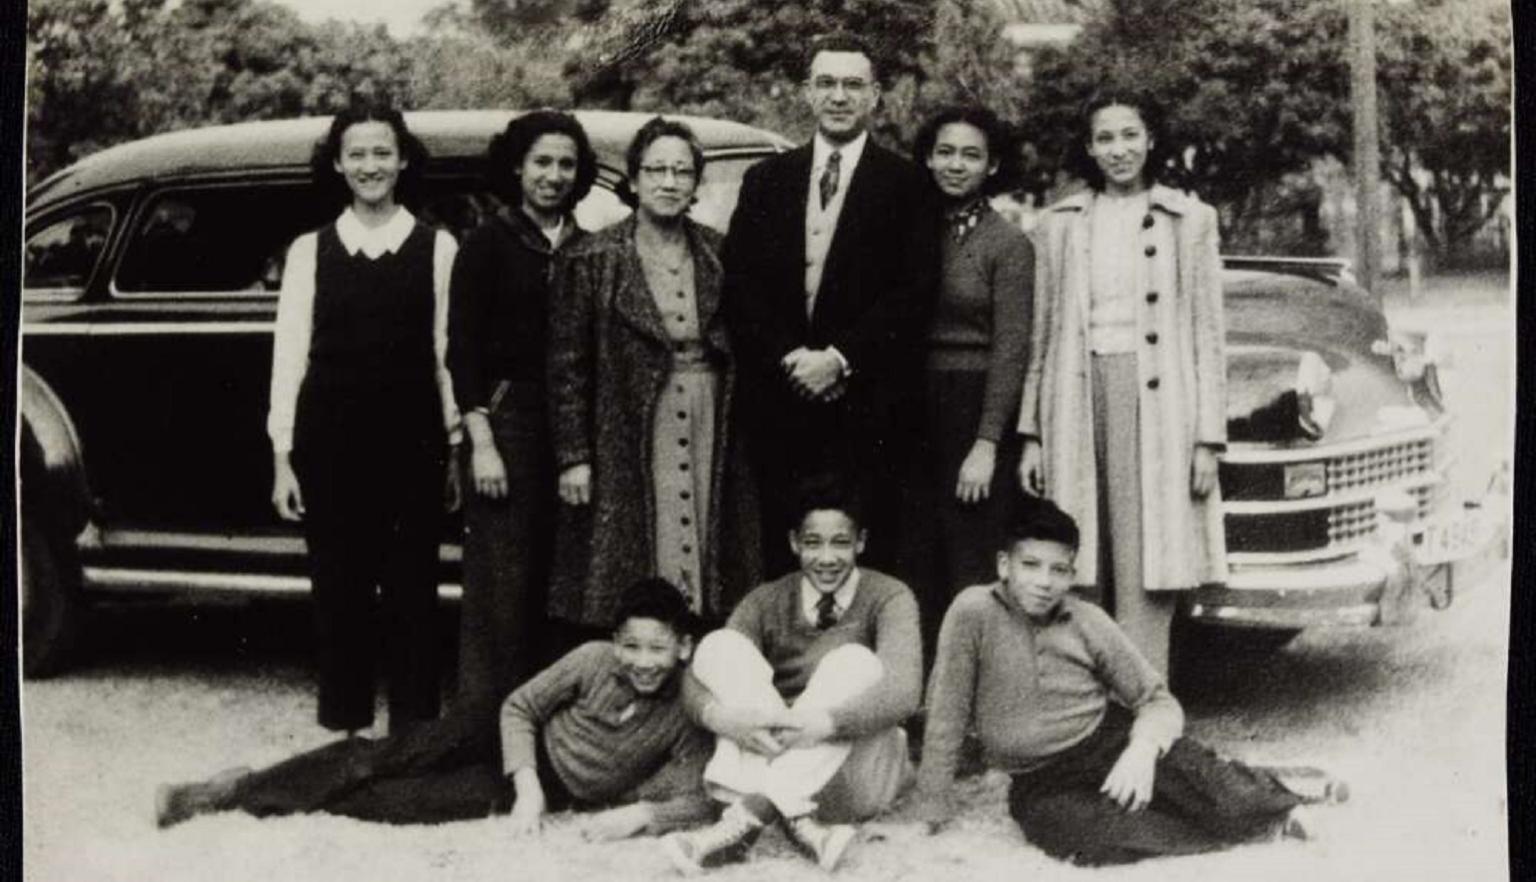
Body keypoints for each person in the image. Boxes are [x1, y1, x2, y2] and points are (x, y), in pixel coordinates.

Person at [911, 499, 1347, 865]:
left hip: (1108, 742)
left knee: (1211, 789)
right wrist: (932, 804)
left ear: (1072, 574)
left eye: (1059, 570)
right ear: (1004, 564)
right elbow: (947, 709)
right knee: (1091, 838)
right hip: (1040, 780)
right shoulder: (973, 612)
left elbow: (1156, 700)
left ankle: (1271, 794)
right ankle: (1249, 819)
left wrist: (1140, 751)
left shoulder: (1087, 620)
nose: (1044, 582)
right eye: (1031, 565)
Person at [156, 578, 717, 839]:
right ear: (616, 642)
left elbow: (702, 798)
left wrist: (642, 817)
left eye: (657, 648)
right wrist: (527, 786)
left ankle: (277, 796)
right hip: (501, 736)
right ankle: (229, 791)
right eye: (631, 646)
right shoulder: (594, 659)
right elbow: (520, 708)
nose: (642, 661)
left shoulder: (687, 713)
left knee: (397, 803)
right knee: (375, 757)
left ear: (684, 647)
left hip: (555, 783)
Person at [1017, 92, 1227, 675]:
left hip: (1161, 406)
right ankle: (1080, 701)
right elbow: (1042, 334)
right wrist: (1032, 434)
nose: (1119, 150)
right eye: (1105, 138)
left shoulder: (1190, 219)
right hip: (1074, 400)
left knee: (1148, 557)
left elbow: (1208, 334)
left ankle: (1144, 699)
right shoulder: (1057, 224)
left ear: (1151, 140)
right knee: (1077, 550)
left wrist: (1208, 438)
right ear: (1088, 147)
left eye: (1130, 135)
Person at [267, 102, 460, 735]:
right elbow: (289, 355)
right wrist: (283, 457)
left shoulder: (437, 247)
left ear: (403, 161)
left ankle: (413, 733)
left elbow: (447, 355)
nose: (370, 165)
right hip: (329, 444)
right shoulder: (310, 251)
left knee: (412, 588)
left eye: (382, 152)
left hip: (413, 443)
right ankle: (345, 729)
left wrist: (455, 445)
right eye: (357, 154)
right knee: (338, 588)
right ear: (338, 164)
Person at [722, 32, 940, 576]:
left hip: (869, 405)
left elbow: (914, 292)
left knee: (867, 546)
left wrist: (840, 359)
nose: (838, 96)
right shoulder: (766, 179)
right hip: (780, 401)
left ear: (875, 95)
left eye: (852, 85)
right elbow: (741, 284)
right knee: (780, 548)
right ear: (806, 92)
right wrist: (791, 358)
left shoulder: (909, 185)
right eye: (826, 83)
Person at [547, 117, 760, 640]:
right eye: (656, 170)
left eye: (682, 172)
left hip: (710, 412)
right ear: (634, 179)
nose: (669, 182)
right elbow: (568, 365)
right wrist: (574, 456)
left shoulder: (720, 252)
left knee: (712, 546)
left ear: (695, 183)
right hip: (627, 421)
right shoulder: (591, 258)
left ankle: (699, 650)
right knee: (635, 547)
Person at [661, 476, 922, 874]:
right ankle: (801, 824)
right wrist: (726, 720)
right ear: (795, 543)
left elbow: (904, 690)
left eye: (840, 543)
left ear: (861, 542)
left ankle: (745, 816)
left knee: (856, 662)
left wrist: (822, 723)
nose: (827, 558)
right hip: (789, 766)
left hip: (856, 774)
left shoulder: (889, 596)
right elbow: (697, 677)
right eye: (813, 543)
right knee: (717, 646)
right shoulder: (766, 600)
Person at [447, 111, 597, 708]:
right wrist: (482, 444)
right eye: (541, 162)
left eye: (566, 164)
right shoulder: (486, 244)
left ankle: (551, 720)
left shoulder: (588, 247)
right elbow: (462, 351)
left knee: (563, 579)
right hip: (506, 423)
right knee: (502, 585)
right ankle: (488, 727)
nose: (554, 175)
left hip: (575, 428)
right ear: (517, 168)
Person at [901, 106, 1035, 652]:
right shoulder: (907, 228)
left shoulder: (1008, 244)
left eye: (971, 155)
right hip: (913, 409)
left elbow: (1011, 348)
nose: (956, 165)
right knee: (914, 555)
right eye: (946, 152)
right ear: (929, 158)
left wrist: (986, 443)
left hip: (974, 406)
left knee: (970, 557)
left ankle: (977, 684)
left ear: (992, 165)